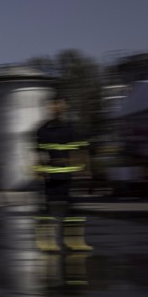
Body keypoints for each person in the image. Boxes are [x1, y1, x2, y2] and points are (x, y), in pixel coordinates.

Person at [34, 93, 93, 252]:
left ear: (65, 106)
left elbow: (82, 151)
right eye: (53, 104)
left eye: (59, 104)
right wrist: (39, 171)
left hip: (70, 175)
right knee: (48, 209)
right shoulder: (42, 131)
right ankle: (46, 242)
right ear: (48, 107)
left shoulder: (73, 129)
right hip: (51, 175)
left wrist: (86, 170)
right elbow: (39, 154)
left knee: (73, 211)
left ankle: (75, 242)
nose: (56, 107)